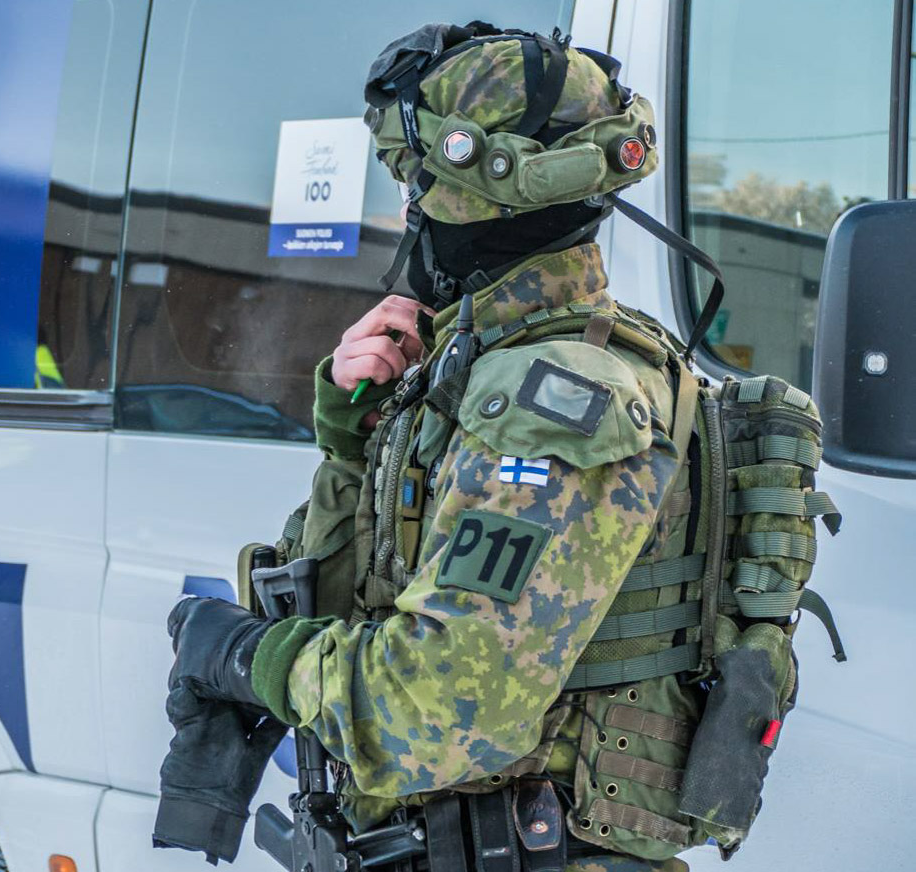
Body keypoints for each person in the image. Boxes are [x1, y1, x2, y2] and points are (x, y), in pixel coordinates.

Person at [154, 22, 721, 872]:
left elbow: (444, 705)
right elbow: (351, 594)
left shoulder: (558, 400)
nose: (405, 212)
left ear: (490, 189)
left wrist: (246, 659)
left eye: (416, 182)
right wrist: (356, 438)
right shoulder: (471, 368)